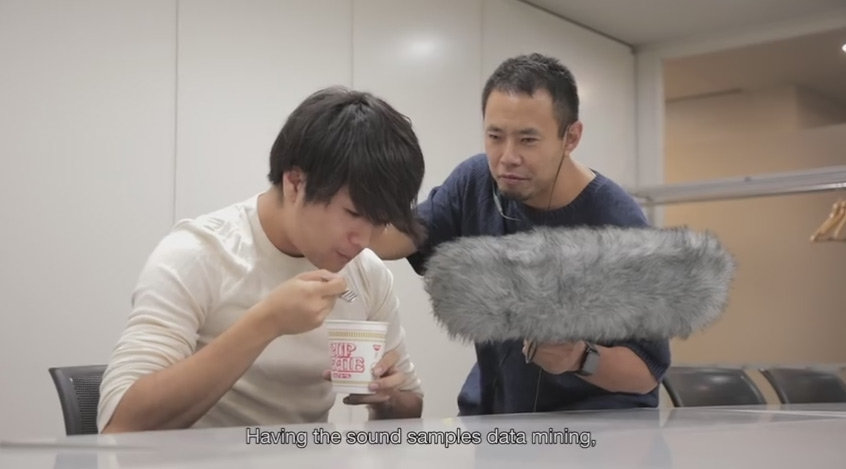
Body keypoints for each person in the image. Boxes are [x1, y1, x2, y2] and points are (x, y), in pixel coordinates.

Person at [98, 87, 426, 433]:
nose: (364, 240)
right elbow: (120, 425)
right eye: (353, 214)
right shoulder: (198, 254)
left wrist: (387, 398)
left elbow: (411, 404)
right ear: (295, 184)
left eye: (379, 222)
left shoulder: (367, 273)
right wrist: (267, 322)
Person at [372, 53, 670, 414]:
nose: (507, 157)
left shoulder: (618, 224)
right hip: (499, 418)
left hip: (597, 425)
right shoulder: (476, 181)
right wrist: (337, 203)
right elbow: (395, 237)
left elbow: (647, 371)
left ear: (571, 137)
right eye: (495, 136)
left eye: (528, 140)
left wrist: (578, 357)